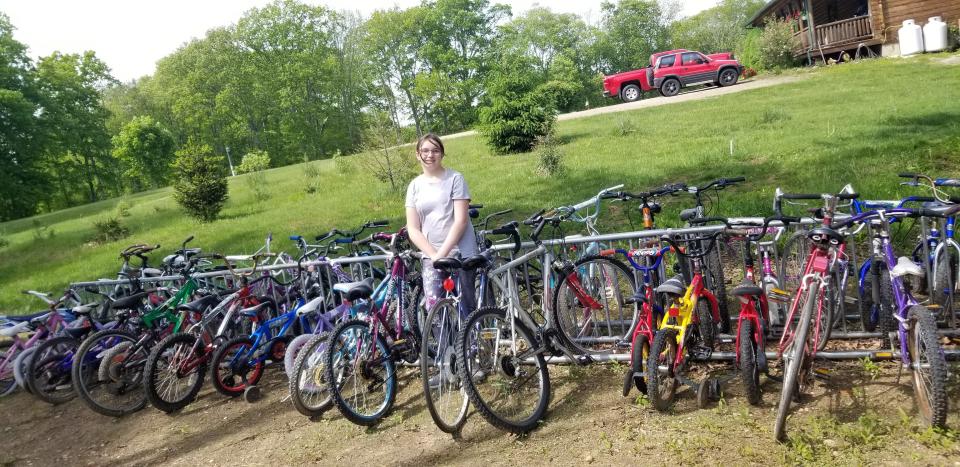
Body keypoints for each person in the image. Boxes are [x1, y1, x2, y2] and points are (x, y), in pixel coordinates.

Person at [405, 133, 477, 312]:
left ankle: (472, 341)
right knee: (435, 312)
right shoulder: (414, 186)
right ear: (417, 154)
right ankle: (443, 342)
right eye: (425, 151)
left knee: (466, 310)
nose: (430, 155)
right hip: (432, 257)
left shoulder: (455, 179)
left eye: (435, 151)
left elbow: (461, 221)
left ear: (442, 154)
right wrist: (433, 255)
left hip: (460, 254)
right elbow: (413, 228)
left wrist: (443, 253)